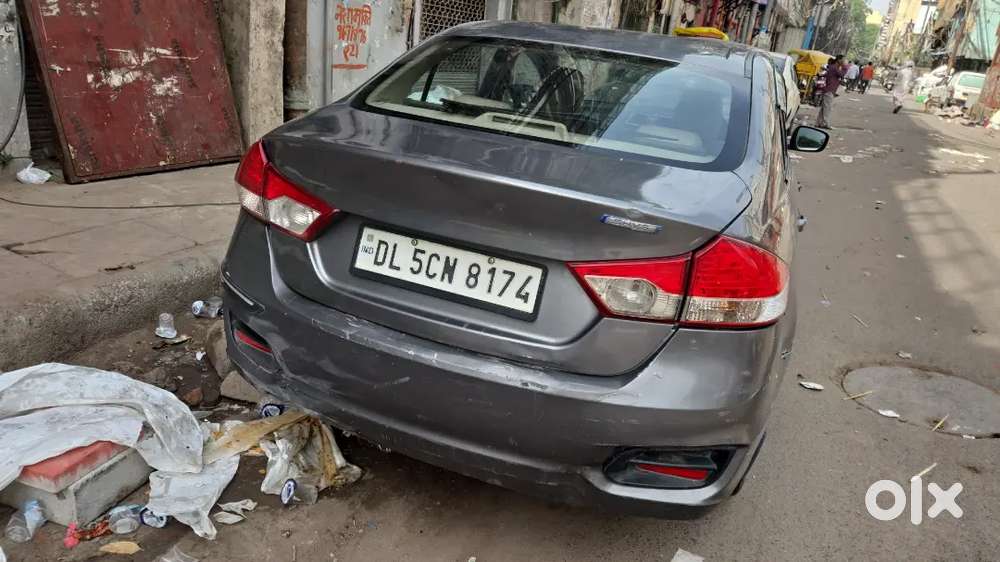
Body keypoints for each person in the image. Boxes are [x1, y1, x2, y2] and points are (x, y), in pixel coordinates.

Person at [816, 55, 846, 129]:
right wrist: (845, 67)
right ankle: (825, 123)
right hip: (829, 90)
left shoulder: (833, 67)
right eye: (843, 60)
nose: (844, 61)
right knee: (827, 108)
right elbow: (842, 74)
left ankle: (819, 122)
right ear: (839, 60)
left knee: (824, 107)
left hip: (829, 89)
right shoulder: (835, 68)